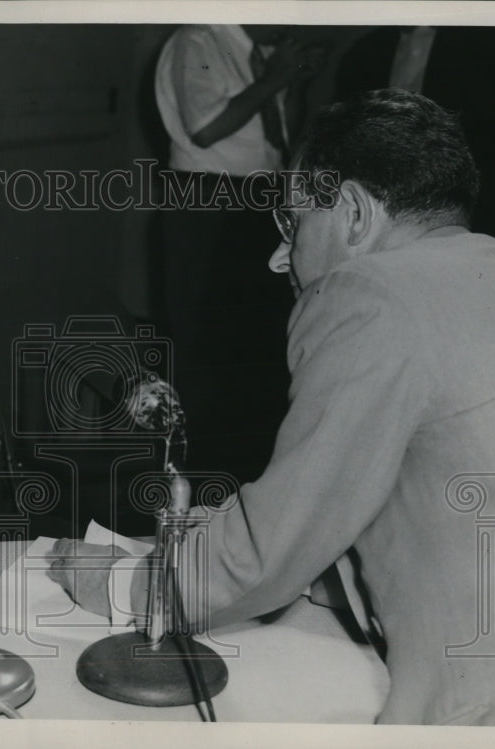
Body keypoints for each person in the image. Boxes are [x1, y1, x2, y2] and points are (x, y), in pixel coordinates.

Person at [49, 89, 495, 725]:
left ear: (352, 213)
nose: (278, 256)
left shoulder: (370, 294)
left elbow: (271, 555)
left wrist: (124, 586)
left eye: (291, 224)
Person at [154, 25, 326, 483]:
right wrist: (273, 78)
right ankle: (198, 482)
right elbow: (206, 127)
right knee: (204, 343)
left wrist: (293, 83)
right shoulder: (197, 41)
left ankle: (248, 480)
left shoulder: (263, 51)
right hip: (207, 198)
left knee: (255, 343)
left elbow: (282, 142)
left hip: (259, 196)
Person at [335, 26, 495, 239]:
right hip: (377, 215)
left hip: (459, 213)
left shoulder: (491, 39)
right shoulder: (365, 51)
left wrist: (475, 188)